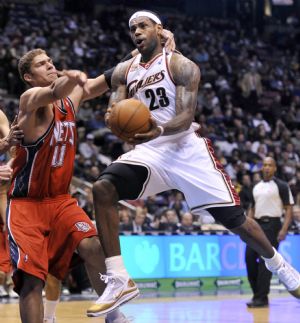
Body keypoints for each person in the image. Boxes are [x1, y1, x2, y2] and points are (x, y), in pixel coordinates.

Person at [87, 10, 300, 317]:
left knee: (236, 221)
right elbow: (113, 108)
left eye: (143, 25)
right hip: (151, 151)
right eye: (132, 28)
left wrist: (158, 128)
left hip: (186, 149)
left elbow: (186, 115)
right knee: (103, 188)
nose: (136, 31)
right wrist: (113, 119)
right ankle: (119, 277)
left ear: (159, 29)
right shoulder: (124, 70)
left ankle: (277, 263)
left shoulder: (180, 65)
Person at [8, 48, 129, 323]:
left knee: (95, 248)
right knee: (32, 282)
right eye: (42, 64)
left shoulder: (69, 103)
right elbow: (52, 92)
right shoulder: (30, 100)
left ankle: (114, 316)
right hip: (27, 204)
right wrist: (71, 78)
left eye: (51, 61)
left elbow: (104, 80)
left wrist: (141, 57)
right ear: (29, 76)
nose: (50, 65)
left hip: (61, 201)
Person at [245, 157, 294, 308]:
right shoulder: (256, 186)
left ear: (275, 168)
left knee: (266, 263)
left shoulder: (282, 186)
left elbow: (289, 209)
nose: (266, 167)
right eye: (264, 165)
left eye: (269, 165)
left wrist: (284, 229)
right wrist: (246, 227)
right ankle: (257, 295)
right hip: (256, 225)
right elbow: (252, 209)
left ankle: (261, 298)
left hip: (272, 225)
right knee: (249, 259)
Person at [0, 108, 23, 298]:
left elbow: (12, 147)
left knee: (10, 229)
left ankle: (12, 279)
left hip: (0, 185)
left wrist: (10, 165)